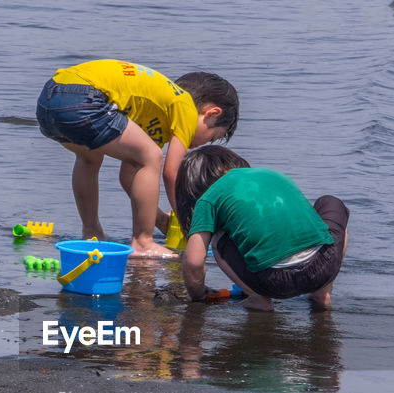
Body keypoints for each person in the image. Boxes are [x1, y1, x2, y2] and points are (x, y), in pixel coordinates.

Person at [35, 60, 239, 259]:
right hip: (83, 97)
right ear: (212, 113)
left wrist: (159, 218)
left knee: (90, 157)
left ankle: (92, 233)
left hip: (49, 101)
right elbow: (172, 173)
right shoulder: (184, 105)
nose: (203, 144)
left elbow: (128, 176)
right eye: (211, 137)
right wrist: (188, 221)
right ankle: (143, 243)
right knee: (151, 156)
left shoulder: (156, 113)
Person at [174, 146, 350, 311]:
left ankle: (258, 299)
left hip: (273, 282)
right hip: (324, 268)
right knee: (330, 202)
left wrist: (199, 295)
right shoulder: (271, 174)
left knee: (219, 239)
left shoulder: (209, 198)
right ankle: (322, 293)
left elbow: (193, 263)